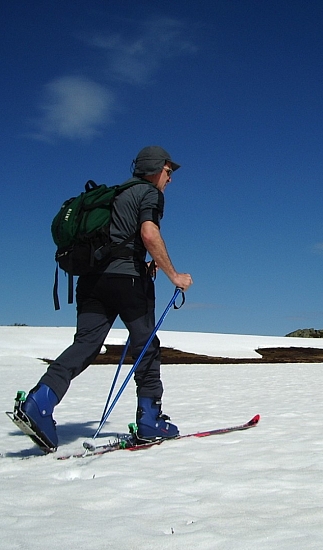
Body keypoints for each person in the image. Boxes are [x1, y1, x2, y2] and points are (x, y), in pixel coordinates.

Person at [18, 146, 193, 451]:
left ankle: (39, 402)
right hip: (126, 281)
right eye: (168, 171)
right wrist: (174, 275)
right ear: (155, 168)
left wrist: (144, 260)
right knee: (146, 344)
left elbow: (120, 239)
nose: (170, 178)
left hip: (91, 282)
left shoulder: (113, 195)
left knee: (86, 344)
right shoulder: (148, 193)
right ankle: (150, 420)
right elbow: (149, 234)